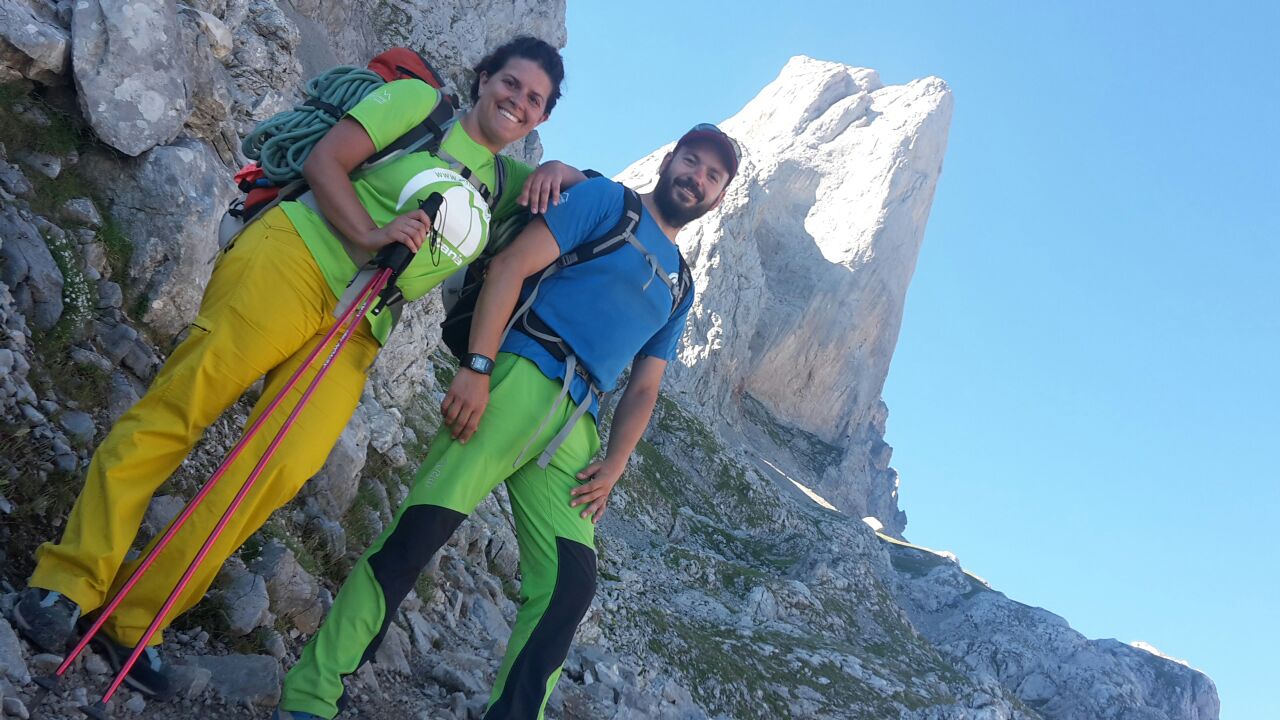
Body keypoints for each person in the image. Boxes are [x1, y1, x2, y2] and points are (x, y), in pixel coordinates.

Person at [13, 36, 582, 699]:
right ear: (484, 79)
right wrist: (371, 236)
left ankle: (139, 618)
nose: (516, 100)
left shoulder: (504, 185)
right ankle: (68, 582)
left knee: (272, 472)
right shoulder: (422, 105)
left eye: (534, 99)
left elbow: (587, 195)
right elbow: (326, 161)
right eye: (509, 83)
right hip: (297, 257)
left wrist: (564, 169)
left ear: (541, 118)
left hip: (357, 329)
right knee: (182, 407)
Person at [274, 123, 741, 720]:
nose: (695, 178)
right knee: (420, 534)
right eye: (691, 161)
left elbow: (646, 383)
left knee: (568, 586)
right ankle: (312, 697)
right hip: (517, 373)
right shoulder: (608, 201)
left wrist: (617, 462)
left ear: (719, 194)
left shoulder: (682, 285)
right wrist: (478, 366)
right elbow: (510, 268)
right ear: (670, 158)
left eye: (711, 176)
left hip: (578, 424)